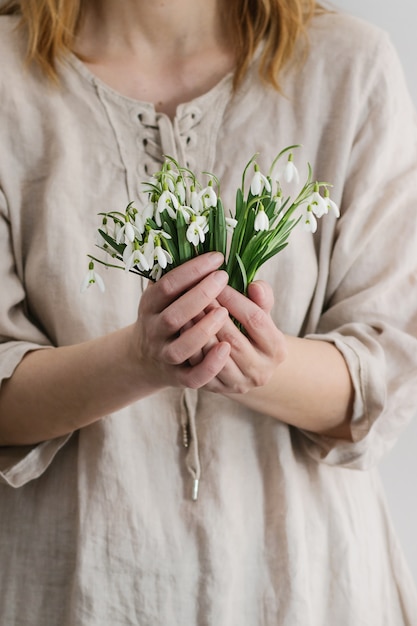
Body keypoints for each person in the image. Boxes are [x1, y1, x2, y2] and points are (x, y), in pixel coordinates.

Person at [0, 0, 417, 623]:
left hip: (304, 590)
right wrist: (137, 360)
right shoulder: (9, 78)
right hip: (79, 592)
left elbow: (389, 366)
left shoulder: (349, 66)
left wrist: (264, 364)